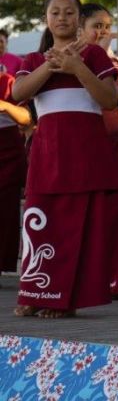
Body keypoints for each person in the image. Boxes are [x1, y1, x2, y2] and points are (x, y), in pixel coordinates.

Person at [13, 0, 118, 318]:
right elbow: (18, 94)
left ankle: (64, 300)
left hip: (84, 154)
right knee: (40, 223)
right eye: (55, 12)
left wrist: (76, 67)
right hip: (47, 154)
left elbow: (109, 101)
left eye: (69, 13)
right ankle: (35, 291)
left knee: (74, 228)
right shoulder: (32, 59)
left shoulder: (97, 57)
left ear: (78, 19)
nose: (62, 18)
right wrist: (51, 66)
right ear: (46, 19)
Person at [80, 3, 118, 301]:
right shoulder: (75, 59)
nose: (103, 31)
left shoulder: (115, 64)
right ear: (81, 29)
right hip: (85, 142)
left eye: (107, 25)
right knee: (91, 212)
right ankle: (92, 279)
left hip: (114, 142)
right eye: (96, 26)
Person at [0, 72, 30, 284]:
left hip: (6, 151)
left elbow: (27, 117)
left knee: (5, 213)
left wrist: (4, 105)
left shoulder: (7, 81)